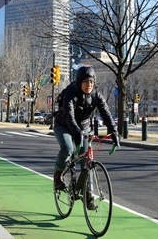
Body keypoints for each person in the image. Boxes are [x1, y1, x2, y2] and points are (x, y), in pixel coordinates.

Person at [52, 66, 119, 208]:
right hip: (64, 125)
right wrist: (76, 133)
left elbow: (106, 113)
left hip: (84, 127)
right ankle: (58, 176)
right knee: (67, 148)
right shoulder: (70, 93)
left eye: (91, 82)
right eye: (86, 82)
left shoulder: (96, 95)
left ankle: (88, 195)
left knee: (87, 159)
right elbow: (69, 116)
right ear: (79, 82)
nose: (89, 85)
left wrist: (114, 132)